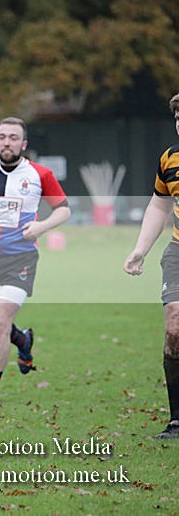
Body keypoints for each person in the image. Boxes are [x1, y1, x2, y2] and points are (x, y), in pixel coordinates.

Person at [0, 117, 71, 403]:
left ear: (23, 144)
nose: (7, 142)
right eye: (2, 137)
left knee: (0, 325)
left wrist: (42, 227)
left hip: (21, 259)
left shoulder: (39, 174)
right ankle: (23, 340)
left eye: (13, 137)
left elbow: (63, 210)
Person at [123, 92, 179, 439]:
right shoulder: (169, 159)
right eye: (177, 118)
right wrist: (140, 249)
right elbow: (159, 206)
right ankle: (177, 420)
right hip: (178, 249)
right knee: (174, 325)